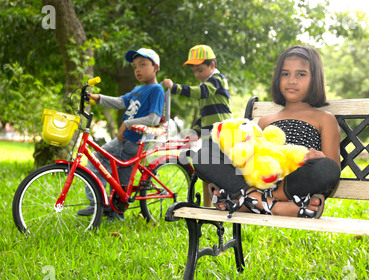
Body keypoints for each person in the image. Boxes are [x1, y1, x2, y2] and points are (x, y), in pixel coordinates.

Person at [193, 45, 341, 218]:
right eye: (285, 74)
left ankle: (245, 200)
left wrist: (319, 157)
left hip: (292, 184)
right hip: (257, 180)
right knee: (204, 153)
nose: (292, 80)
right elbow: (250, 155)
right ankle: (272, 205)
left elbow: (333, 167)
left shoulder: (324, 118)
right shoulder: (266, 120)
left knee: (327, 168)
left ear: (315, 79)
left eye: (301, 74)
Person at [77, 48, 165, 221]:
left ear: (155, 68)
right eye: (134, 67)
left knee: (119, 175)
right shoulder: (138, 89)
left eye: (143, 65)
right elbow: (119, 102)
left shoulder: (156, 90)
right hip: (125, 139)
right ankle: (101, 204)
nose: (138, 69)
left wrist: (127, 123)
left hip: (136, 141)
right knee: (100, 160)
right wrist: (97, 98)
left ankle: (110, 211)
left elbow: (154, 118)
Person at [163, 44, 233, 206]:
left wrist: (175, 88)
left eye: (200, 70)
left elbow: (200, 92)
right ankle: (208, 208)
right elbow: (204, 116)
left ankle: (224, 203)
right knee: (206, 170)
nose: (196, 74)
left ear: (212, 65)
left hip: (222, 133)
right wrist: (194, 132)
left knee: (218, 170)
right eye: (194, 71)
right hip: (210, 135)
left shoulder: (217, 80)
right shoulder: (208, 84)